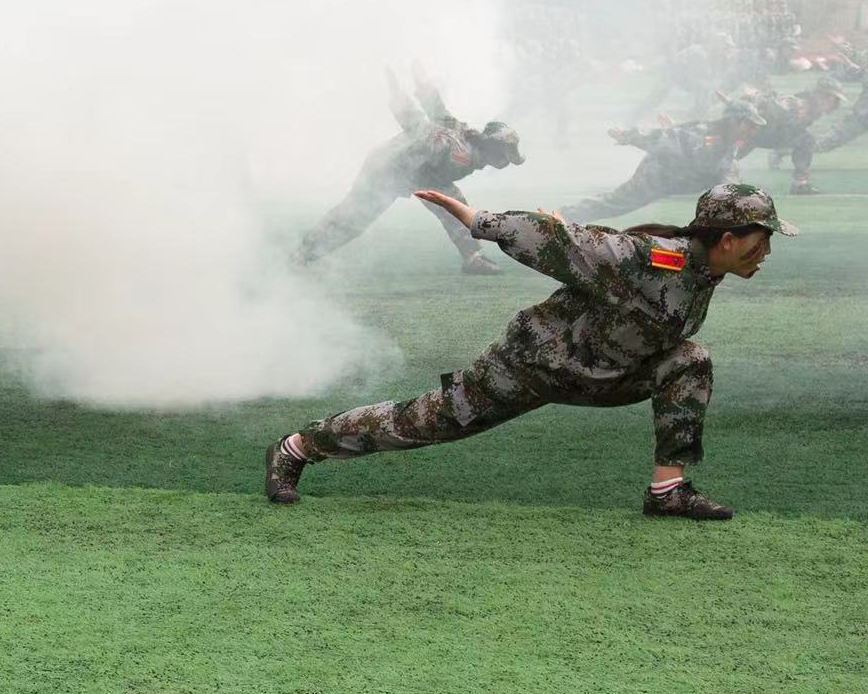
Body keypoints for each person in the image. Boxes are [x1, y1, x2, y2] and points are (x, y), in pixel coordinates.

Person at [264, 183, 795, 520]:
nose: (766, 252)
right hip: (531, 365)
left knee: (690, 362)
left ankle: (667, 492)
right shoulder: (653, 258)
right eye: (761, 239)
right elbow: (557, 240)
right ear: (727, 237)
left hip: (603, 377)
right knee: (424, 422)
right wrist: (478, 222)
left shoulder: (706, 273)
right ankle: (297, 448)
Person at [295, 68, 523, 275]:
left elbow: (439, 112)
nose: (504, 162)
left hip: (423, 175)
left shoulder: (465, 139)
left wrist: (422, 86)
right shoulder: (457, 151)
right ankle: (304, 253)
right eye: (504, 154)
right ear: (493, 149)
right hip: (388, 170)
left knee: (455, 207)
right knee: (354, 218)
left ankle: (473, 257)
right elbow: (417, 126)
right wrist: (398, 96)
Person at [558, 99, 763, 223]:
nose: (753, 130)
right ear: (733, 120)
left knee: (728, 196)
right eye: (749, 124)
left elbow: (727, 171)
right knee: (618, 202)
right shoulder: (705, 135)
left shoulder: (730, 142)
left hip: (690, 176)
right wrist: (634, 138)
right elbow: (667, 140)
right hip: (661, 173)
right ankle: (562, 217)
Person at [746, 78, 845, 196]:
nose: (835, 104)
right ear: (822, 96)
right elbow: (775, 110)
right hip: (757, 132)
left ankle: (800, 183)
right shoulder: (799, 103)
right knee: (807, 140)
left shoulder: (813, 110)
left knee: (805, 140)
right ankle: (800, 184)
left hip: (767, 135)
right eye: (833, 99)